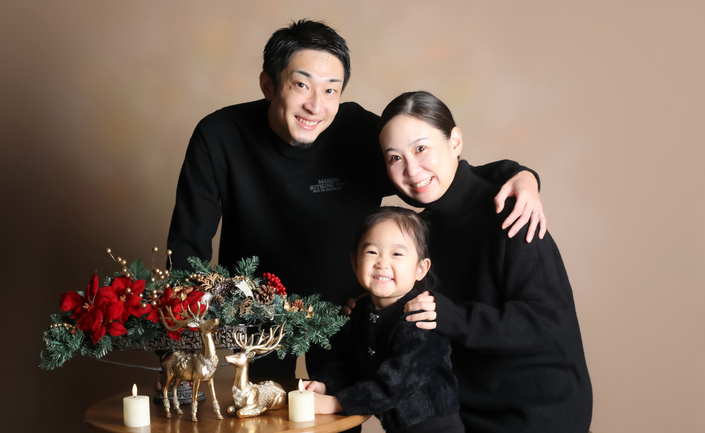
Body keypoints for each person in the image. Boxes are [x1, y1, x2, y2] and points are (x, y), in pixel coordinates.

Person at [166, 19, 546, 378]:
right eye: (301, 85)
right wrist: (178, 345)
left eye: (330, 90)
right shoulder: (219, 135)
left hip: (344, 315)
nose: (316, 106)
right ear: (268, 84)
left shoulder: (359, 133)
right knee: (255, 411)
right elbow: (187, 244)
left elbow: (431, 176)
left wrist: (519, 174)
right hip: (256, 315)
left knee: (343, 409)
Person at [377, 91, 592, 433]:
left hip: (537, 412)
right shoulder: (419, 233)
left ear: (455, 141)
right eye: (395, 158)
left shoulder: (512, 212)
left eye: (421, 148)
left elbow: (543, 319)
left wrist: (453, 318)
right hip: (464, 412)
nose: (412, 170)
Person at [306, 207, 464, 433]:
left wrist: (335, 403)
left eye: (397, 254)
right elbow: (348, 365)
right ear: (355, 263)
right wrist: (325, 385)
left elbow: (395, 384)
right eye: (372, 252)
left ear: (420, 269)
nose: (382, 262)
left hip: (436, 428)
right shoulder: (359, 312)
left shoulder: (421, 317)